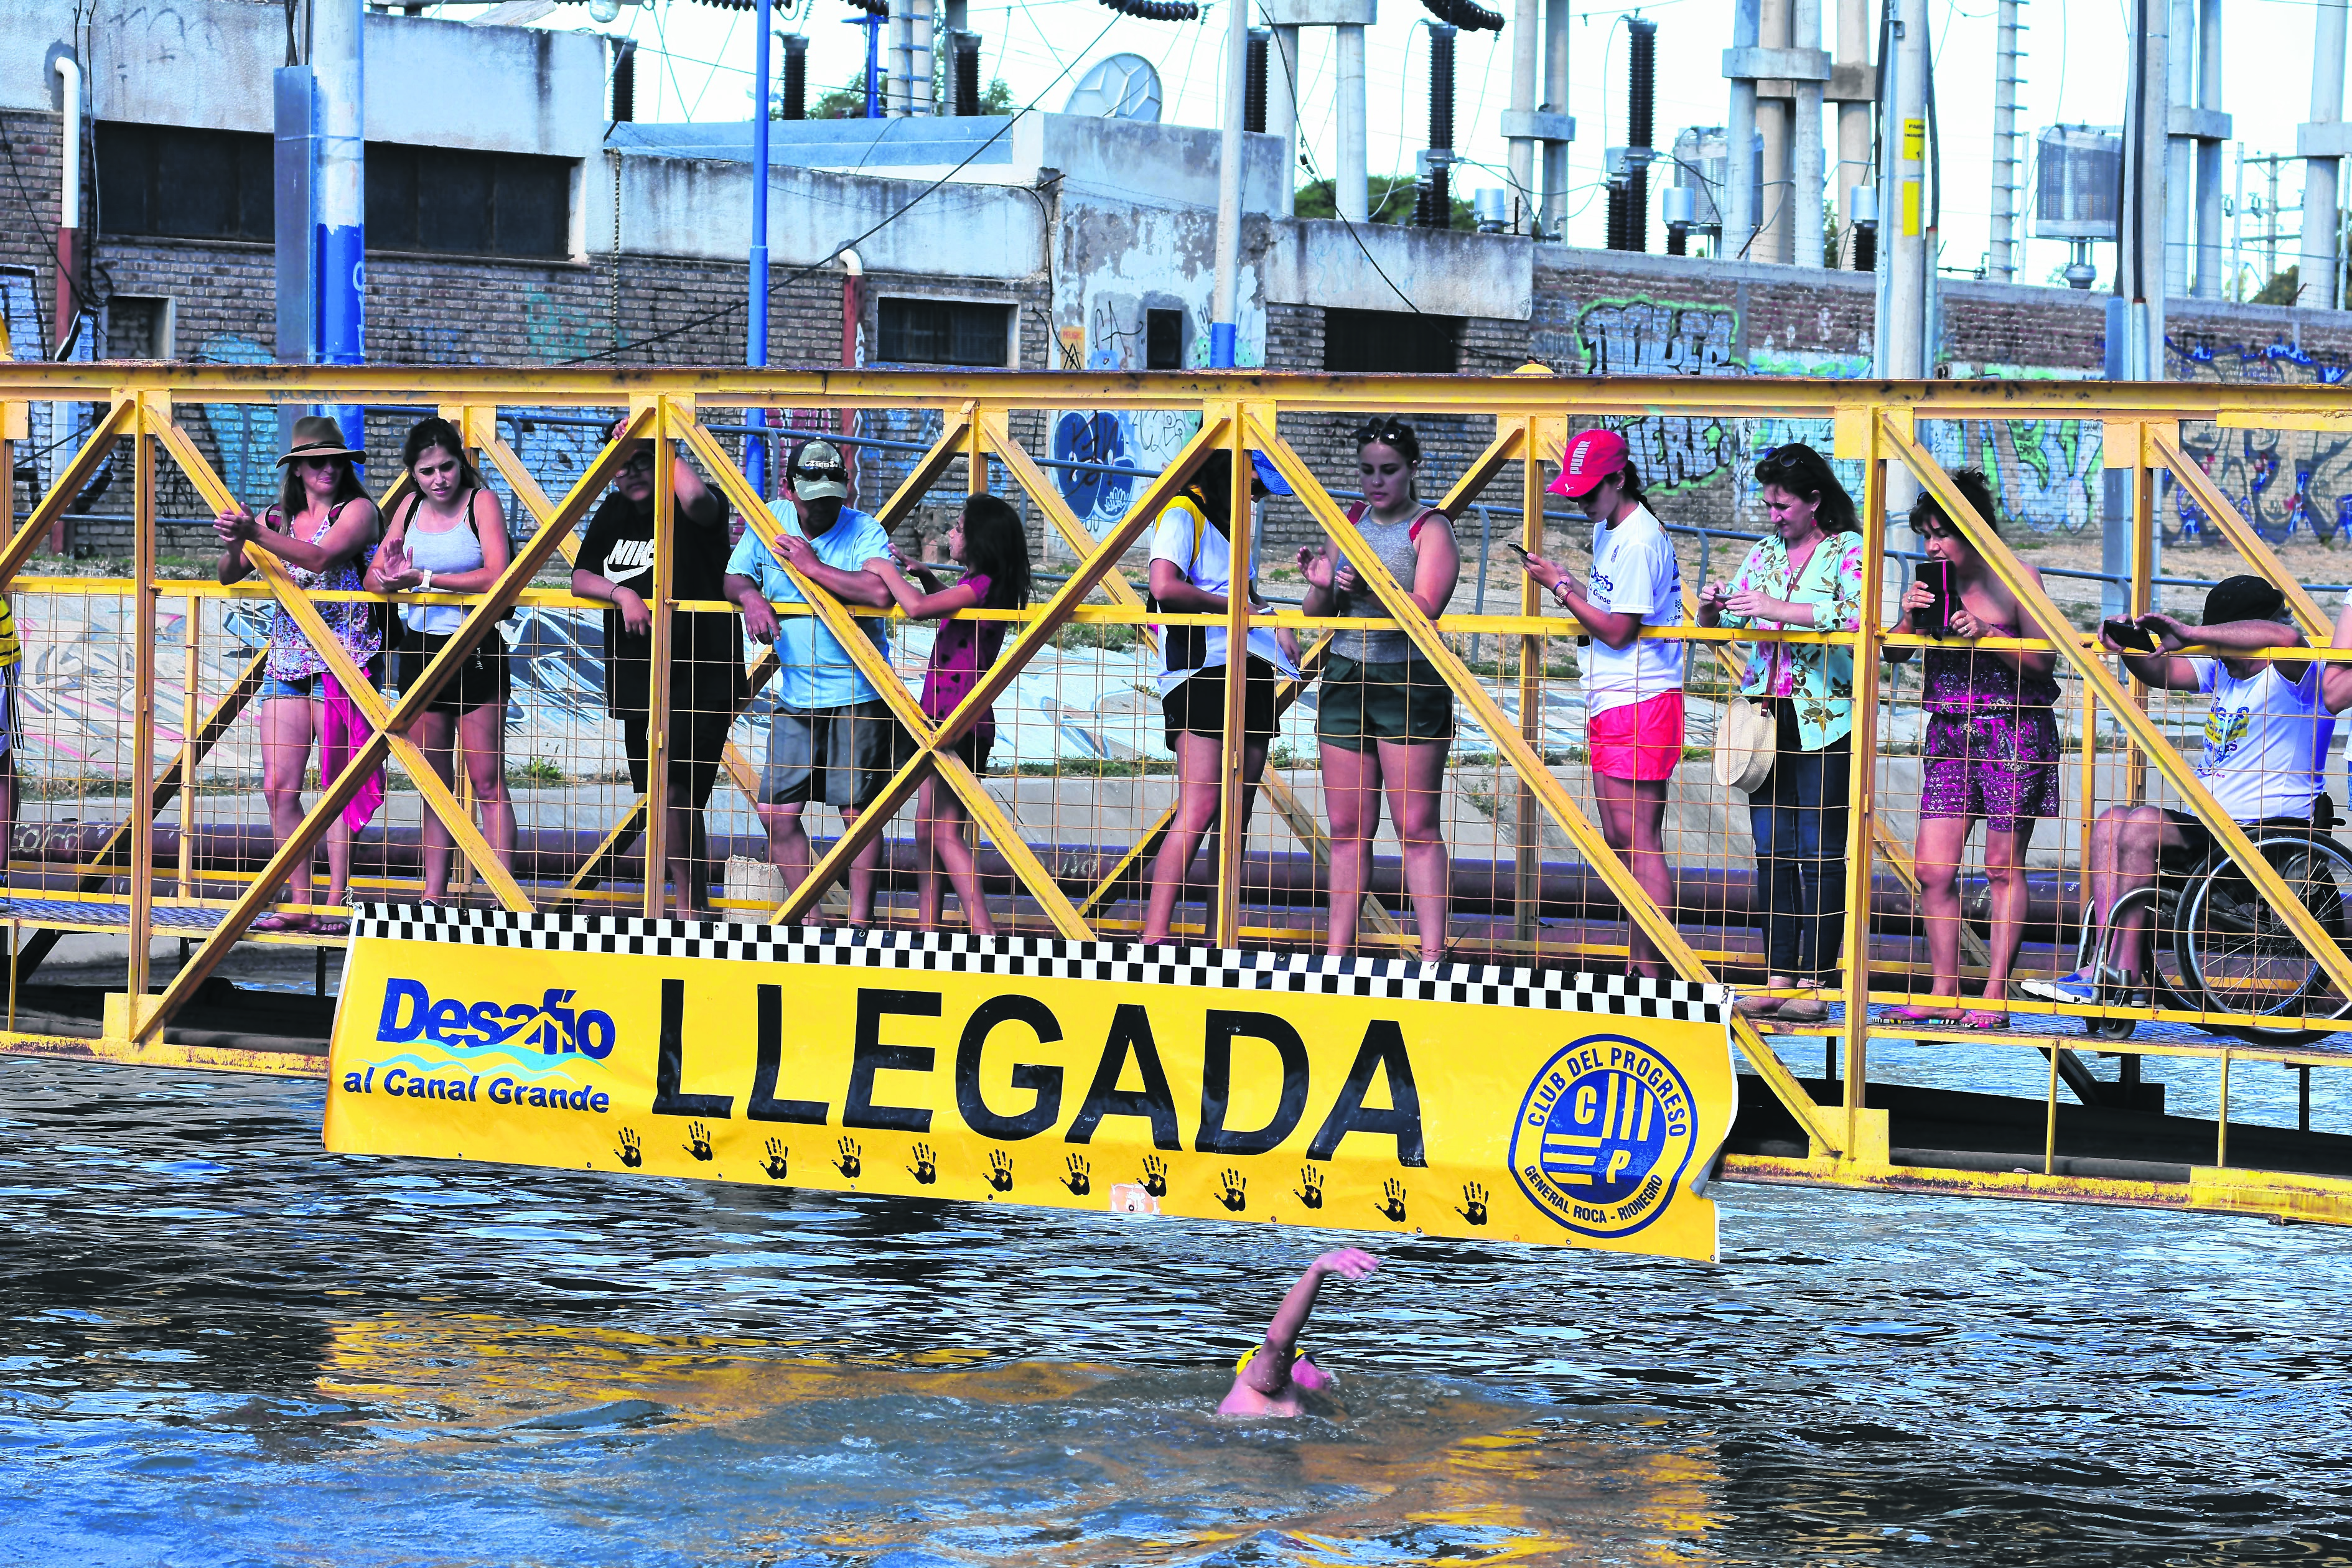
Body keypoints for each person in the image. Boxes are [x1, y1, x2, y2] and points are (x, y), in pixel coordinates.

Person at [2022, 577, 2333, 1011]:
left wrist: (2191, 634)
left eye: (2222, 637)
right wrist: (2129, 645)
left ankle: (2120, 974)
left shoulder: (2295, 674)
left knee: (2144, 825)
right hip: (2214, 831)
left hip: (2267, 834)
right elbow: (2161, 671)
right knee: (2112, 822)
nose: (2215, 651)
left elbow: (2284, 636)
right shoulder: (2225, 669)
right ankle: (2104, 967)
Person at [1697, 443, 1866, 1024]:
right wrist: (1713, 606)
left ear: (1815, 501)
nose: (1773, 516)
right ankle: (1779, 974)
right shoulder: (1765, 551)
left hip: (1825, 716)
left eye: (1783, 505)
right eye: (1768, 505)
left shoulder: (1848, 551)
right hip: (1767, 715)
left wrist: (1777, 607)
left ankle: (1818, 981)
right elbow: (1726, 620)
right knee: (1772, 849)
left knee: (1820, 853)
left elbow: (1857, 617)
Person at [1884, 469, 2059, 1029]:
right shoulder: (1932, 581)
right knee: (1933, 870)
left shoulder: (2018, 577)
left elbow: (2044, 663)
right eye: (1926, 534)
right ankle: (1943, 991)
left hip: (2015, 732)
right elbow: (1894, 655)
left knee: (2002, 868)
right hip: (1950, 732)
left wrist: (1986, 634)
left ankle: (1995, 995)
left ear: (1975, 529)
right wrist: (1909, 618)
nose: (1933, 545)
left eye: (1943, 533)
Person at [1522, 427, 1686, 981]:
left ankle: (1654, 971)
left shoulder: (1639, 539)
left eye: (1589, 494)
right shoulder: (1611, 528)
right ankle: (1644, 966)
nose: (1582, 504)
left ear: (1619, 480)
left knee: (1639, 841)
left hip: (1640, 696)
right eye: (1575, 496)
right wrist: (1569, 584)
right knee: (1622, 841)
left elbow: (1618, 630)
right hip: (1615, 695)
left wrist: (1560, 586)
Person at [1296, 418, 1462, 961]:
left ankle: (1435, 958)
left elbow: (1426, 607)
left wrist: (1369, 585)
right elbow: (1320, 612)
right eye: (1367, 471)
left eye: (1388, 471)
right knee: (1346, 829)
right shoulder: (1348, 522)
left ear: (1412, 470)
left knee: (1415, 827)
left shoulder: (1430, 528)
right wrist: (1322, 586)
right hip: (1347, 674)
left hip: (1408, 679)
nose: (1376, 481)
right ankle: (1337, 956)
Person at [214, 416, 382, 936]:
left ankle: (335, 897)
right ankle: (299, 899)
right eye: (316, 462)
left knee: (336, 787)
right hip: (286, 663)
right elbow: (227, 573)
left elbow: (321, 555)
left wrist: (255, 531)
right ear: (298, 470)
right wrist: (238, 538)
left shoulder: (358, 511)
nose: (328, 469)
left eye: (336, 460)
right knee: (277, 787)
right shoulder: (275, 518)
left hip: (342, 663)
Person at [572, 417, 743, 921]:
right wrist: (622, 592)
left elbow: (694, 501)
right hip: (638, 676)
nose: (630, 475)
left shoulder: (696, 501)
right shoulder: (613, 511)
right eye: (619, 467)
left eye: (640, 461)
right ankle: (688, 903)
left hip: (702, 671)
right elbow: (582, 575)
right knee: (663, 792)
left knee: (684, 791)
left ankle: (688, 903)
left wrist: (662, 438)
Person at [726, 437, 897, 926]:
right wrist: (751, 598)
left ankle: (861, 924)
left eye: (831, 497)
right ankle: (810, 918)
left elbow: (880, 592)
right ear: (789, 489)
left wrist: (813, 567)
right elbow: (735, 575)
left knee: (856, 815)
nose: (822, 508)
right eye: (811, 497)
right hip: (797, 693)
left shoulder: (865, 529)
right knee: (776, 813)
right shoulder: (769, 518)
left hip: (858, 693)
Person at [1141, 449, 1303, 948]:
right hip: (1200, 669)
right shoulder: (1182, 511)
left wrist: (1271, 619)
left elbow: (1245, 592)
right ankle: (1155, 933)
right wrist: (1241, 608)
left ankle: (1219, 937)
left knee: (1238, 810)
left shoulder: (1236, 522)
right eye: (1254, 485)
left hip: (1250, 667)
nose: (1256, 497)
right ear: (1233, 471)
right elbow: (1164, 586)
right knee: (1202, 803)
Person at [364, 418, 515, 905]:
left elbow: (497, 574)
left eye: (447, 467)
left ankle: (501, 896)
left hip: (474, 648)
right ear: (413, 474)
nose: (438, 479)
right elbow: (375, 577)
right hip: (421, 650)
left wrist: (426, 579)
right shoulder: (408, 507)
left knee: (487, 780)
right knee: (434, 783)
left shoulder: (481, 503)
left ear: (461, 465)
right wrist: (390, 580)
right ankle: (434, 896)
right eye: (426, 471)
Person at [875, 493, 1031, 935]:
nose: (950, 534)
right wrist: (925, 576)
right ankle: (929, 927)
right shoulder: (977, 583)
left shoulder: (982, 585)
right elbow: (948, 608)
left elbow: (920, 611)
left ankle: (983, 931)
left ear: (980, 540)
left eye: (959, 529)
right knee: (926, 832)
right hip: (940, 721)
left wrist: (888, 571)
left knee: (944, 833)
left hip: (958, 724)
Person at [1218, 1247, 1379, 1418]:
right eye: (1311, 1362)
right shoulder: (1259, 1384)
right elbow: (1278, 1339)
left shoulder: (1287, 1405)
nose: (1326, 1375)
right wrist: (1317, 1270)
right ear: (1287, 1364)